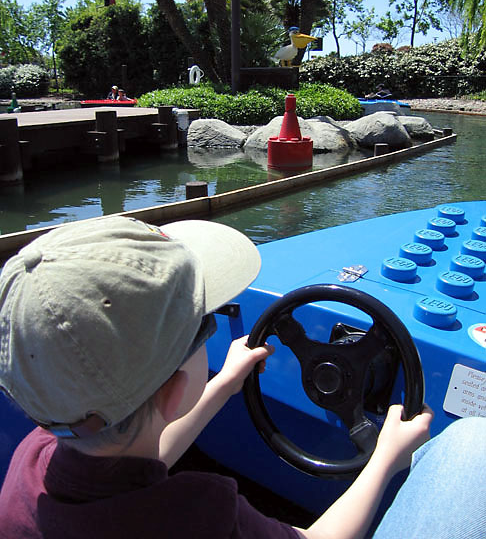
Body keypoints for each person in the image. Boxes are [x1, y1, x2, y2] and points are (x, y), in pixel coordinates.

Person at [0, 217, 484, 539]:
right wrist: (385, 458)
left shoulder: (33, 461)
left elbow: (131, 464)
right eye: (204, 324)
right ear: (175, 389)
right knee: (472, 443)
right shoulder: (201, 513)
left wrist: (223, 384)